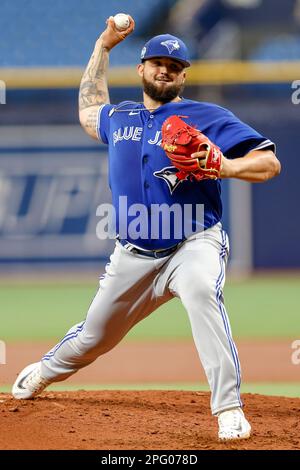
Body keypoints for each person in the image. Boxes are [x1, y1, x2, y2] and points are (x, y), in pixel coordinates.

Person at [12, 16, 280, 441]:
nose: (165, 69)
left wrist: (227, 166)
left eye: (174, 65)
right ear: (141, 69)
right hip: (132, 254)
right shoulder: (120, 116)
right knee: (93, 338)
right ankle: (46, 370)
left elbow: (269, 163)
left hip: (194, 241)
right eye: (157, 62)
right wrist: (102, 46)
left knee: (199, 291)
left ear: (184, 75)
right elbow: (87, 110)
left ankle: (228, 408)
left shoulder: (207, 116)